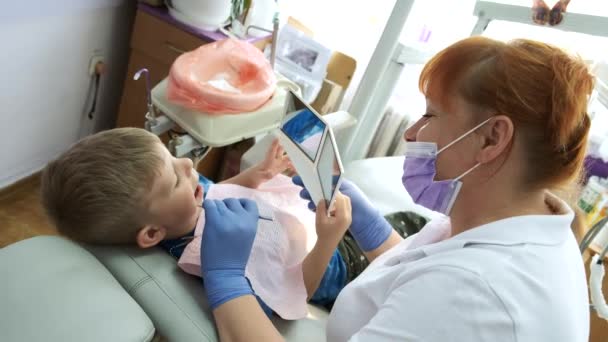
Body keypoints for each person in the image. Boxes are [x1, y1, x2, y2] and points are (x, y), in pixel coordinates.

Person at [197, 36, 594, 341]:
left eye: (430, 115)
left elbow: (443, 297)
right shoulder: (522, 223)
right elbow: (424, 279)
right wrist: (376, 236)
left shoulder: (474, 292)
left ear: (492, 139)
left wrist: (227, 279)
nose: (410, 132)